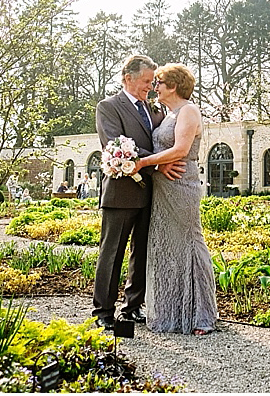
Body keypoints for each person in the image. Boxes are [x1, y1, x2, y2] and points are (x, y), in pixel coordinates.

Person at [91, 55, 185, 331]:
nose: (150, 86)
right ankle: (103, 311)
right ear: (127, 78)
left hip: (152, 193)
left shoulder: (156, 110)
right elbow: (115, 144)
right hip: (120, 193)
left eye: (152, 81)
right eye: (146, 81)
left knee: (142, 253)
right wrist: (158, 161)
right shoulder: (108, 107)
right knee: (112, 253)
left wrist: (165, 160)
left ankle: (132, 307)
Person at [135, 63, 218, 335]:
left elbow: (180, 149)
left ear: (173, 86)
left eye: (159, 83)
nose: (154, 87)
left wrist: (142, 162)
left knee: (189, 241)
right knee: (165, 246)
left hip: (182, 185)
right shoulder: (168, 114)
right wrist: (155, 167)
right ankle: (170, 312)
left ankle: (200, 316)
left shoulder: (189, 110)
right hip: (162, 186)